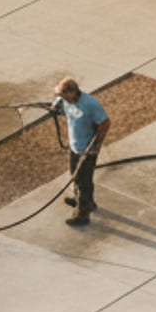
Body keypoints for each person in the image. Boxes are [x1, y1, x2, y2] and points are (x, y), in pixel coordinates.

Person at [51, 77, 110, 225]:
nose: (60, 97)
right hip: (75, 147)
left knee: (84, 181)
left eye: (62, 95)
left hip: (87, 150)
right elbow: (62, 110)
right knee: (75, 175)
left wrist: (96, 146)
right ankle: (84, 201)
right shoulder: (66, 101)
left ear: (72, 92)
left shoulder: (90, 104)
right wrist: (55, 107)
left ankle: (82, 214)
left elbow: (105, 123)